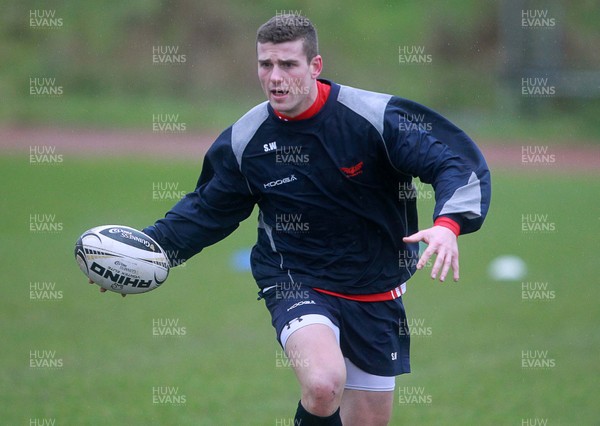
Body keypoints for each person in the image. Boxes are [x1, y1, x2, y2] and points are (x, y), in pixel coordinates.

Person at [92, 14, 491, 425]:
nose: (275, 77)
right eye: (266, 65)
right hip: (294, 278)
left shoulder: (373, 118)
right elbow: (207, 209)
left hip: (375, 286)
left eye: (288, 65)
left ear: (315, 67)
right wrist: (145, 253)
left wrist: (449, 223)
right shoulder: (247, 139)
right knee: (323, 383)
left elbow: (452, 160)